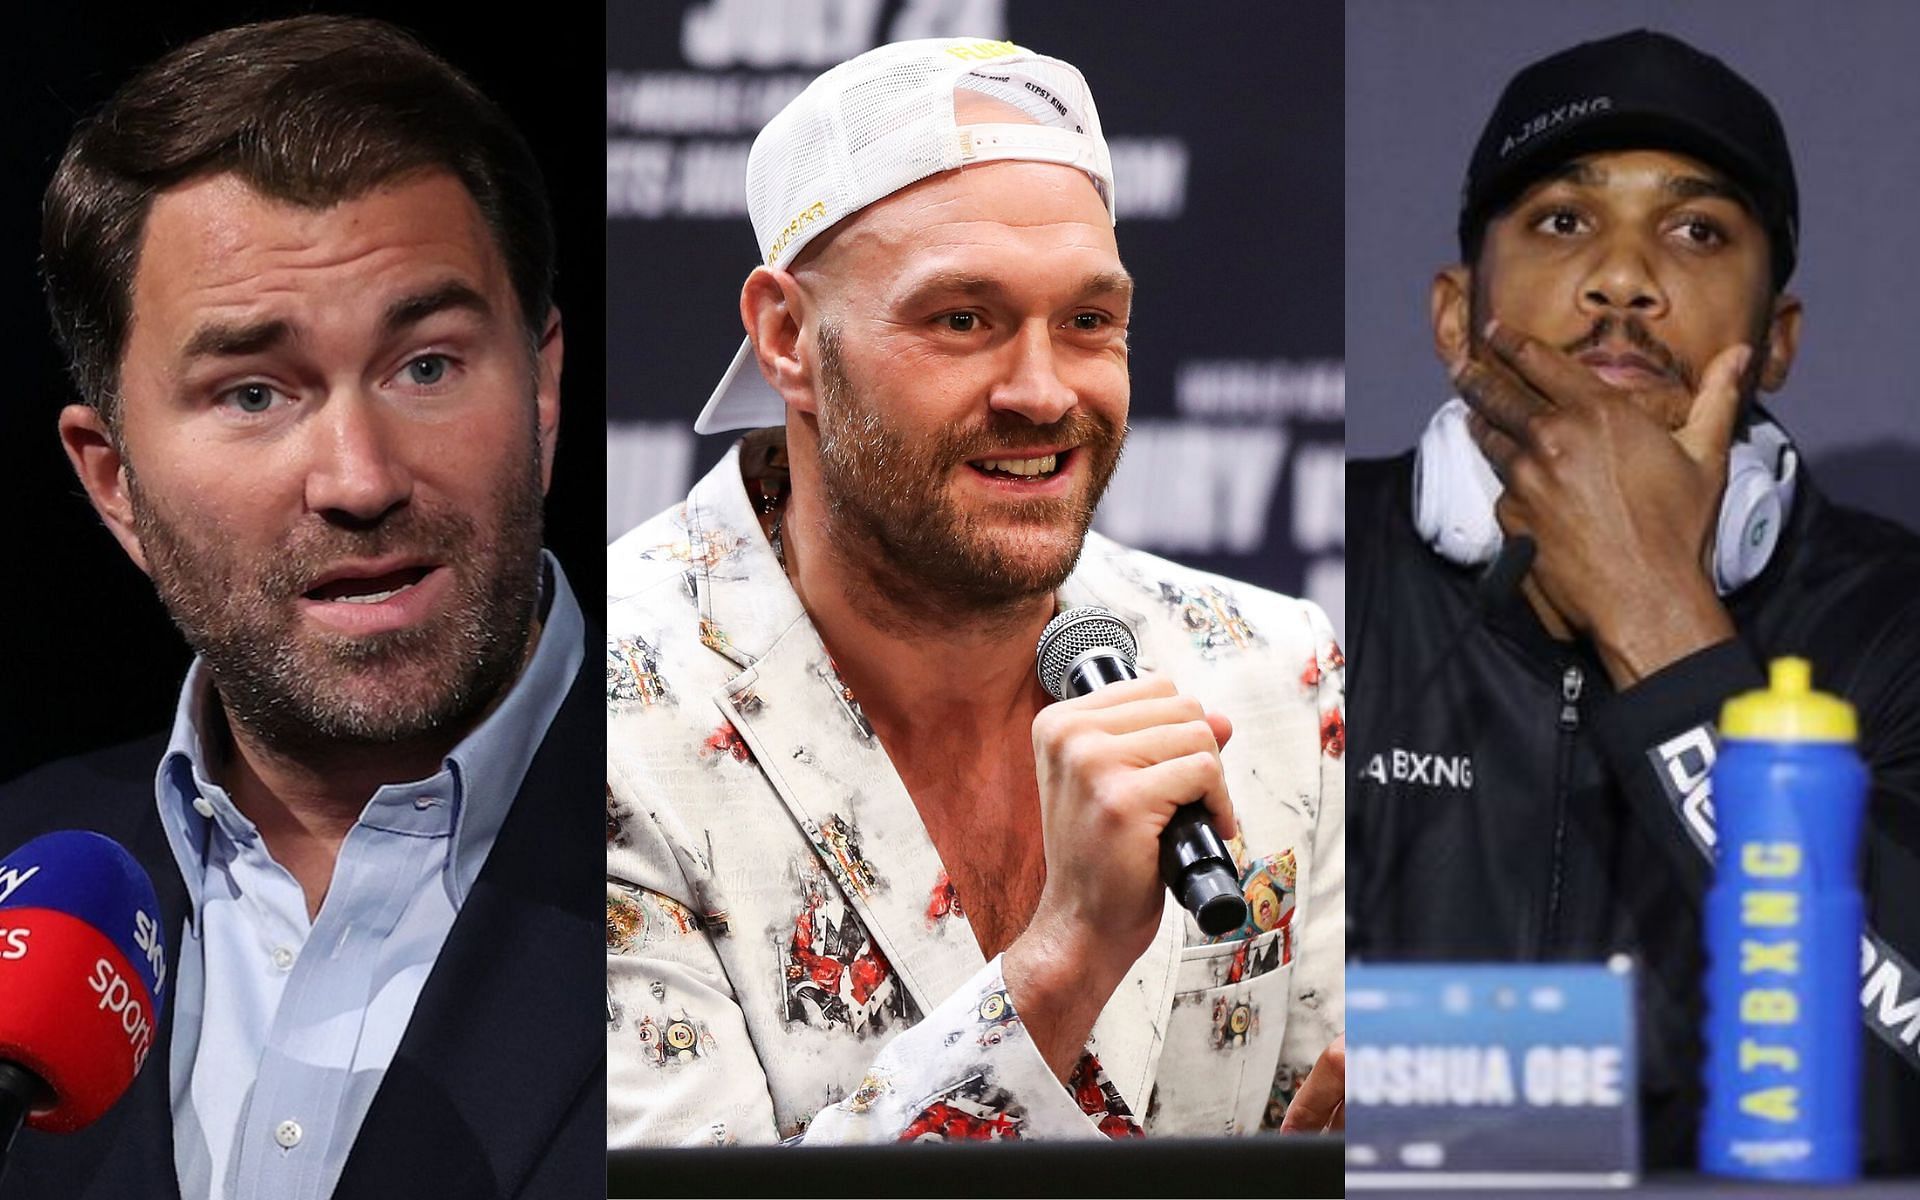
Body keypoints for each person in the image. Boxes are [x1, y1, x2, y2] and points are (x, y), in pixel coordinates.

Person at [606, 37, 1345, 1145]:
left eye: (1089, 323)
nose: (1044, 393)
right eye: (964, 320)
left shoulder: (1276, 670)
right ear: (789, 338)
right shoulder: (611, 713)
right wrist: (1062, 958)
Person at [0, 17, 602, 1199]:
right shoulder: (16, 875)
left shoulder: (781, 851)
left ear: (542, 395)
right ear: (112, 481)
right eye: (255, 392)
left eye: (425, 365)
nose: (359, 479)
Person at [1347, 29, 1920, 1171]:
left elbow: (1903, 1060)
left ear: (1776, 344)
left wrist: (1661, 619)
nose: (1623, 279)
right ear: (1456, 318)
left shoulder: (1895, 622)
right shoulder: (1315, 583)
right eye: (1563, 220)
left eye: (1697, 231)